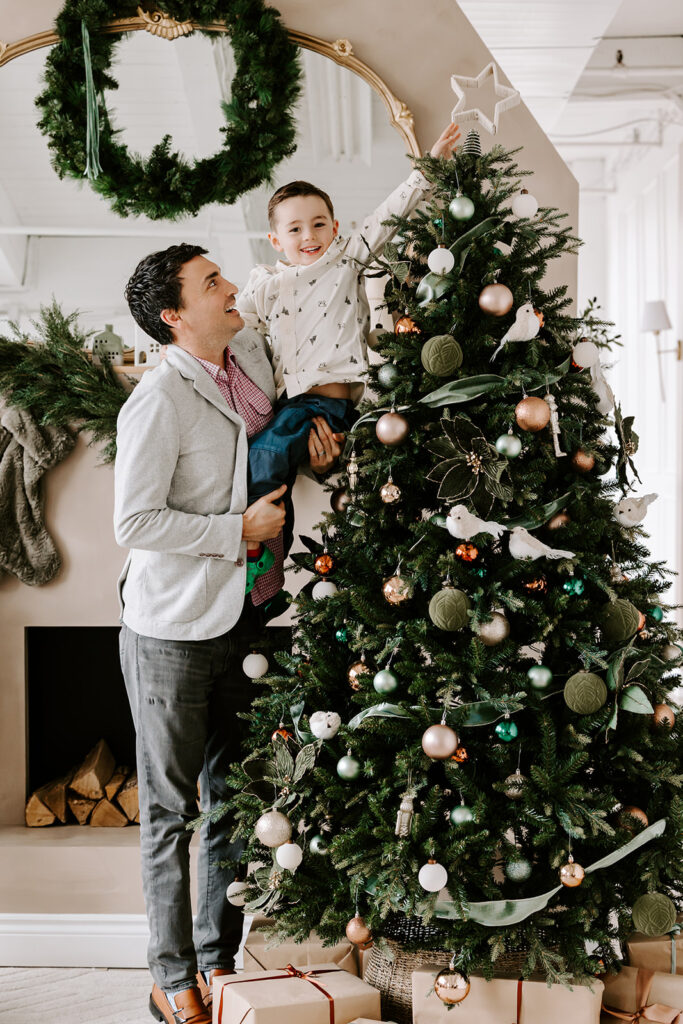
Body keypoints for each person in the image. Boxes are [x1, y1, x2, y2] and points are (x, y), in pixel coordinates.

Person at [114, 243, 340, 1024]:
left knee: (235, 807)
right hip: (173, 630)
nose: (232, 287)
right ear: (173, 316)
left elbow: (271, 452)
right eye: (211, 283)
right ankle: (170, 975)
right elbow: (134, 522)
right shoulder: (157, 399)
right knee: (171, 812)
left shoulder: (250, 357)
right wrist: (232, 531)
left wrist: (317, 454)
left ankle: (218, 963)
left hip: (252, 616)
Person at [236, 121, 461, 582]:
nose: (309, 235)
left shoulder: (345, 260)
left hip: (331, 406)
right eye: (295, 229)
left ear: (335, 228)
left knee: (265, 455)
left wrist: (427, 169)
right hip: (289, 405)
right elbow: (235, 330)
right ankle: (260, 549)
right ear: (276, 240)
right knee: (263, 462)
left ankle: (256, 549)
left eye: (319, 224)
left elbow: (386, 218)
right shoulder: (264, 284)